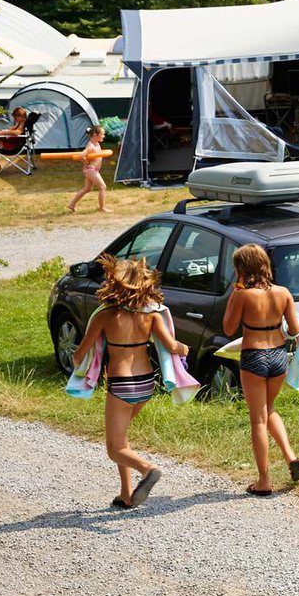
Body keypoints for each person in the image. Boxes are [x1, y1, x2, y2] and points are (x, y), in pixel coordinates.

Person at [70, 256, 189, 508]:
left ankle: (148, 469)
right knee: (121, 439)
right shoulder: (152, 316)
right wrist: (184, 349)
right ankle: (126, 495)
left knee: (113, 448)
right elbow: (172, 346)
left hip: (121, 385)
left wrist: (79, 363)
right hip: (146, 384)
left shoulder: (105, 316)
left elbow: (80, 353)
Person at [222, 244, 299, 496]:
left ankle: (264, 481)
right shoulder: (283, 293)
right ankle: (290, 456)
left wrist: (234, 293)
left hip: (254, 356)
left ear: (242, 269)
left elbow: (228, 329)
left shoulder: (242, 296)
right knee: (269, 410)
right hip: (279, 356)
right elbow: (294, 330)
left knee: (257, 419)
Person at [67, 123, 108, 213]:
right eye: (102, 134)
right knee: (102, 187)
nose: (104, 136)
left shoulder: (96, 143)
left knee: (87, 189)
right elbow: (81, 155)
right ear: (95, 135)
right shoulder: (91, 146)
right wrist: (85, 162)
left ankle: (72, 204)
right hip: (91, 170)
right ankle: (102, 208)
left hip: (92, 169)